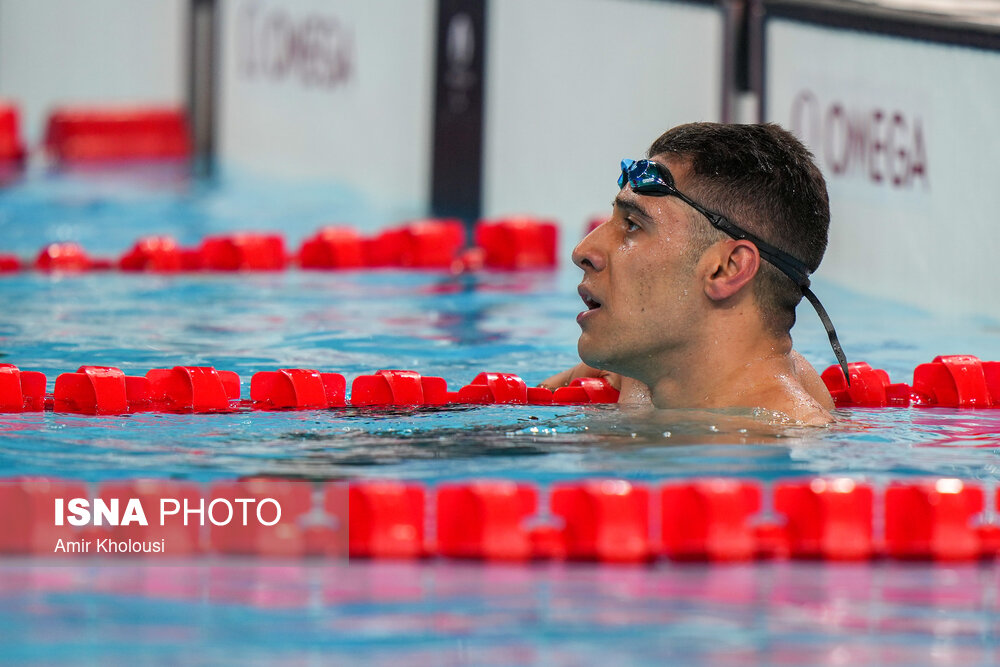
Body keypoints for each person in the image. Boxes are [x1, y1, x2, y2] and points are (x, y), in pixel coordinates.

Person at [542, 123, 847, 425]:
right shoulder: (652, 373)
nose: (582, 251)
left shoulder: (779, 441)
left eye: (633, 225)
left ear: (726, 269)